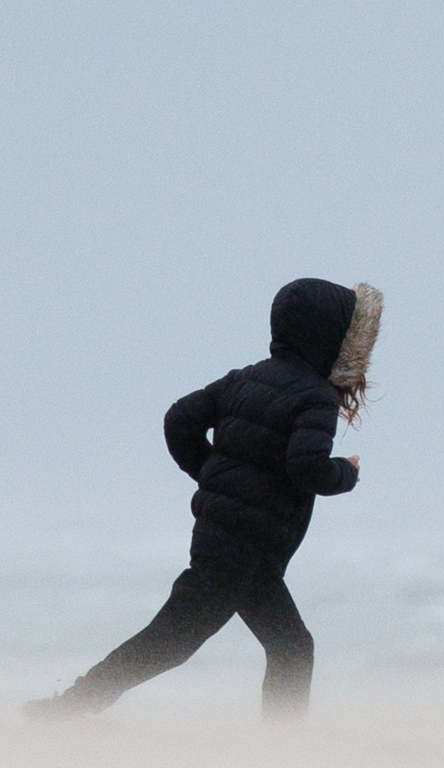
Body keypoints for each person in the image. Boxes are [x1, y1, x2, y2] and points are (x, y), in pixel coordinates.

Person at [29, 278, 381, 722]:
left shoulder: (245, 378)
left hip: (230, 539)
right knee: (174, 642)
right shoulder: (315, 398)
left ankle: (284, 750)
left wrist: (216, 477)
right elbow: (307, 468)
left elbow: (180, 420)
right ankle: (66, 711)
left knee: (286, 646)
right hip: (247, 548)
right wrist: (346, 473)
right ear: (332, 337)